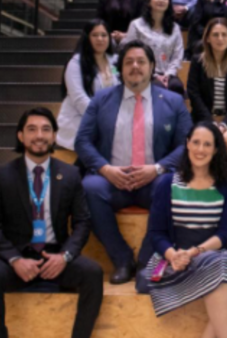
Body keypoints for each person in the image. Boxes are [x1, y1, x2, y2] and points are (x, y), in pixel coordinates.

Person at [0, 108, 103, 338]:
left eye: (46, 129)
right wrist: (14, 259)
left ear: (54, 136)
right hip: (17, 257)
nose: (39, 135)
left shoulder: (70, 174)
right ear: (21, 136)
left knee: (93, 273)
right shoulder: (1, 175)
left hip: (55, 257)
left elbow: (82, 222)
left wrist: (64, 257)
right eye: (32, 129)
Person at [75, 41, 192, 284]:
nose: (135, 66)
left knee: (171, 185)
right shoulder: (101, 99)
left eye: (141, 61)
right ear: (120, 69)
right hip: (111, 180)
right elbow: (82, 141)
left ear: (152, 67)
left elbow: (187, 145)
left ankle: (147, 263)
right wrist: (106, 170)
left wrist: (157, 169)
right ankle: (122, 259)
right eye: (128, 62)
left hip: (154, 180)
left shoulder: (173, 101)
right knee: (88, 188)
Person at [137, 122, 227, 327]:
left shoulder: (225, 184)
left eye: (207, 144)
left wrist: (197, 251)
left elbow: (225, 233)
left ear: (216, 149)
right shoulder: (167, 183)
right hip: (175, 260)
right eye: (196, 142)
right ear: (187, 144)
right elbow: (157, 233)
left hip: (211, 254)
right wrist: (174, 256)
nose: (200, 149)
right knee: (222, 278)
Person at [187, 19, 227, 160]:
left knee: (226, 139)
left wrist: (224, 124)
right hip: (202, 120)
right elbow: (193, 93)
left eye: (224, 34)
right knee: (205, 139)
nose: (220, 38)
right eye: (215, 34)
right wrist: (211, 122)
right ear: (207, 38)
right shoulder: (197, 62)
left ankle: (221, 174)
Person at [57, 20, 119, 150]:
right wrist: (103, 118)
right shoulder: (76, 63)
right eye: (95, 35)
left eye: (104, 35)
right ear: (87, 38)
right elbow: (79, 98)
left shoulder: (114, 61)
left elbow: (120, 88)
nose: (100, 39)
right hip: (80, 121)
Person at [121, 0, 185, 96]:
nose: (161, 0)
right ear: (149, 1)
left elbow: (177, 56)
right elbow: (130, 53)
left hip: (168, 74)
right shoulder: (136, 25)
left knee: (176, 86)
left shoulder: (175, 28)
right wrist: (154, 75)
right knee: (157, 87)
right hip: (142, 73)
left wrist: (168, 74)